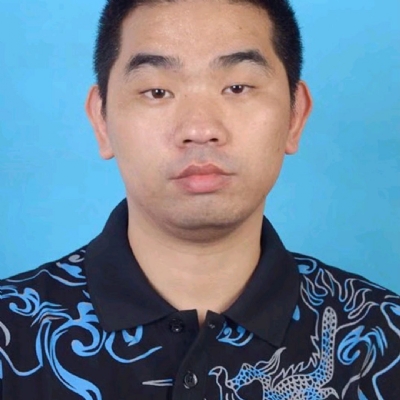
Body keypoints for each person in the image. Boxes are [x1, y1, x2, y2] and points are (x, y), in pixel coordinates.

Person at [0, 0, 399, 398]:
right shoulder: (10, 334)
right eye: (157, 91)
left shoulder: (384, 338)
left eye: (237, 87)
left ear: (295, 115)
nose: (200, 129)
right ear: (101, 121)